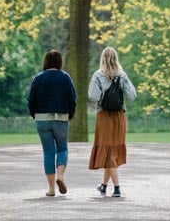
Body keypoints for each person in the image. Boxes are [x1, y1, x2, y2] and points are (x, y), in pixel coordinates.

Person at [88, 46, 137, 198]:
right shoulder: (122, 76)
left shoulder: (97, 75)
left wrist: (103, 91)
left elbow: (93, 96)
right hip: (119, 117)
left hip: (104, 116)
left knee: (109, 152)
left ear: (102, 58)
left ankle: (116, 188)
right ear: (116, 58)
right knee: (113, 150)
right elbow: (132, 95)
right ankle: (103, 186)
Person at [27, 49, 77, 197]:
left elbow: (31, 100)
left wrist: (34, 115)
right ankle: (60, 176)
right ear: (60, 61)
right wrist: (70, 115)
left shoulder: (38, 78)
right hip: (61, 118)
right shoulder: (65, 78)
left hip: (42, 119)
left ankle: (51, 189)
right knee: (62, 149)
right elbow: (72, 99)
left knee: (48, 152)